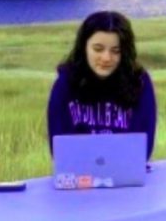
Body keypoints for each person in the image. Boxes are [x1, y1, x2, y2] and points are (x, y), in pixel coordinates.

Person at [47, 10, 156, 160]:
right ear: (84, 47)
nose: (106, 58)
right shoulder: (65, 84)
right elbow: (58, 148)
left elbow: (144, 148)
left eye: (116, 51)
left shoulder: (140, 83)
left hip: (126, 176)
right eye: (98, 49)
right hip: (77, 176)